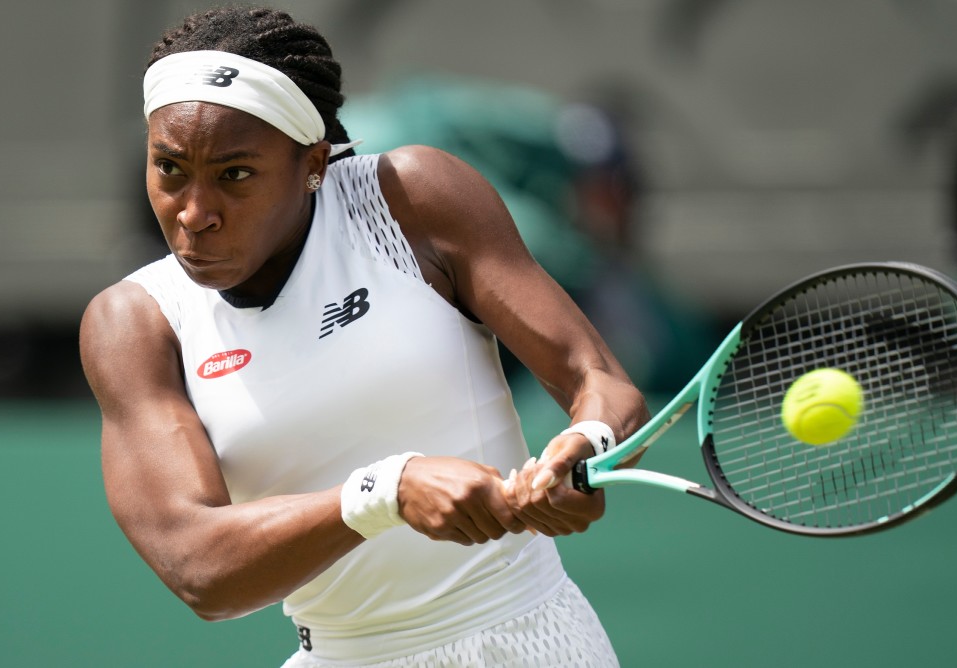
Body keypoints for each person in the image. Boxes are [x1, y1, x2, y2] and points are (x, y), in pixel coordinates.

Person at [79, 5, 648, 666]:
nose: (195, 214)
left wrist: (585, 447)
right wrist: (386, 492)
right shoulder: (136, 322)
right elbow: (197, 565)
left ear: (313, 163)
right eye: (170, 169)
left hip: (532, 639)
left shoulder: (412, 199)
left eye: (235, 174)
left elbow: (598, 379)